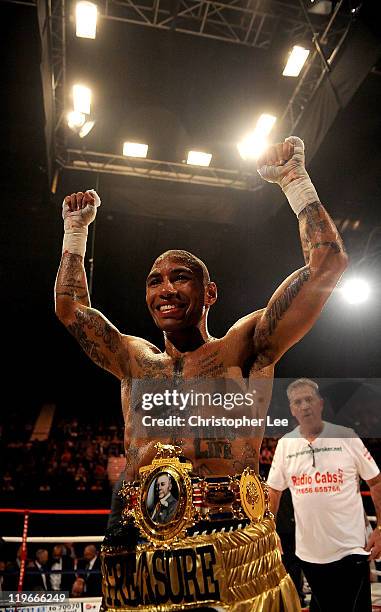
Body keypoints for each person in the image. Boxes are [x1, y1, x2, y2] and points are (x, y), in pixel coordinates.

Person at [55, 136, 347, 610]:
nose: (165, 288)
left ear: (209, 293)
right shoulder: (135, 361)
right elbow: (70, 310)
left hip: (233, 554)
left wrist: (295, 181)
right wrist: (75, 231)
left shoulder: (244, 347)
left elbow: (327, 265)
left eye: (180, 277)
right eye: (154, 280)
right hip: (141, 555)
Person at [267, 378, 381, 612]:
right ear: (292, 410)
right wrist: (270, 531)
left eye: (309, 399)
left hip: (351, 551)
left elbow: (376, 481)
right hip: (309, 555)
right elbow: (273, 491)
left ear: (320, 403)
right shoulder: (286, 445)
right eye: (298, 401)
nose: (305, 406)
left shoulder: (346, 436)